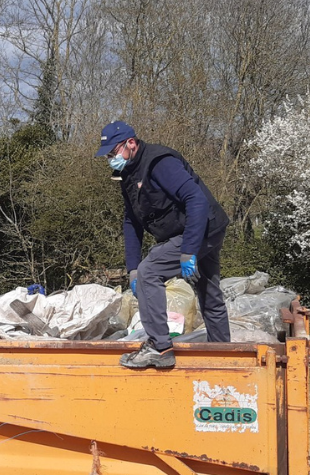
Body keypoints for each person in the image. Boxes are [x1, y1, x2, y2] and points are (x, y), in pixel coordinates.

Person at [95, 120, 230, 368]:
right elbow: (131, 221)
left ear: (131, 143)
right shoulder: (127, 174)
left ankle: (160, 348)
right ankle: (224, 355)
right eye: (108, 156)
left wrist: (188, 250)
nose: (111, 159)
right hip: (199, 229)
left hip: (202, 227)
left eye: (114, 152)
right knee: (208, 292)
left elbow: (196, 200)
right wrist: (132, 267)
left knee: (150, 273)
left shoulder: (160, 162)